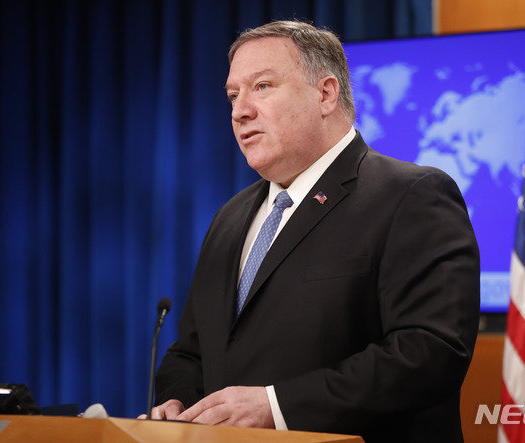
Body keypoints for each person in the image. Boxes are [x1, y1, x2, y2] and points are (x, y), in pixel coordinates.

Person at [146, 20, 480, 442]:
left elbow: (430, 352)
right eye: (233, 95)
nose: (239, 110)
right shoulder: (229, 218)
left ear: (325, 94)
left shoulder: (411, 196)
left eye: (262, 86)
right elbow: (192, 351)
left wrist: (277, 407)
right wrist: (180, 402)